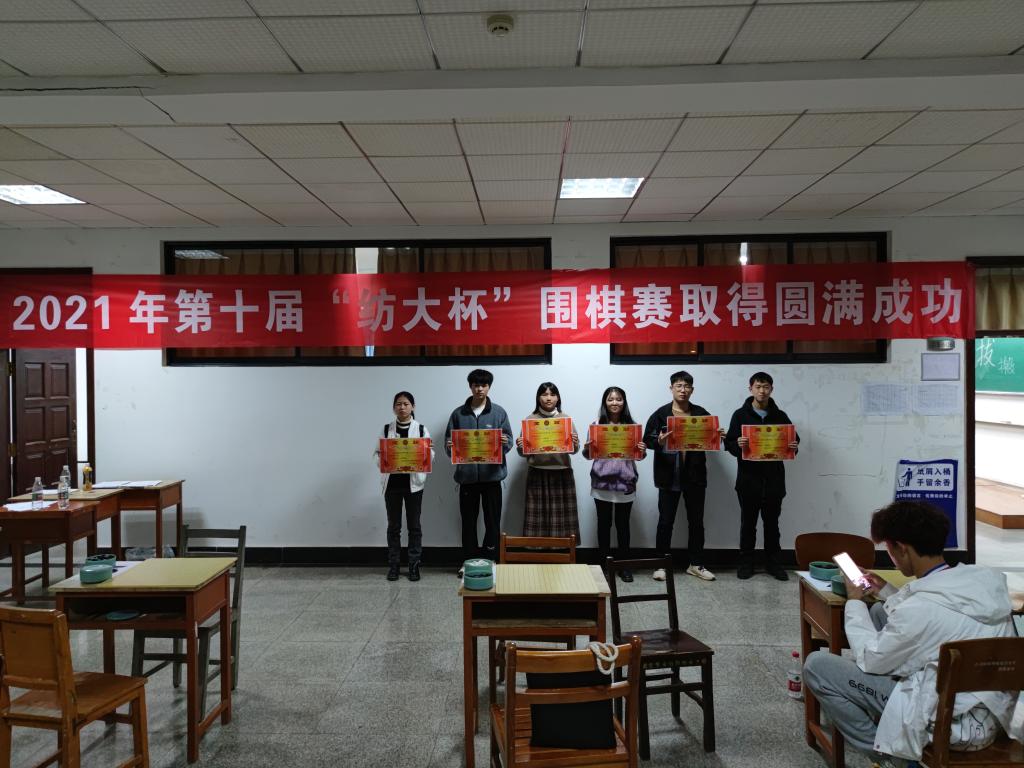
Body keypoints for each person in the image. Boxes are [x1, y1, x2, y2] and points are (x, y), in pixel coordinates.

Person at [802, 501, 1022, 767]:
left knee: (817, 666)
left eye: (890, 549)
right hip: (993, 714)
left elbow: (871, 659)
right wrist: (885, 590)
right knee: (880, 612)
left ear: (902, 549)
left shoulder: (919, 610)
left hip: (950, 724)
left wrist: (855, 601)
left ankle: (893, 757)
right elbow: (935, 611)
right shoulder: (980, 582)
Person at [643, 370, 719, 582]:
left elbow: (711, 439)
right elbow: (647, 440)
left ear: (692, 390)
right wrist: (658, 441)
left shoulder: (701, 413)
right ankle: (661, 564)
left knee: (696, 522)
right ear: (671, 388)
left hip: (695, 476)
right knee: (665, 522)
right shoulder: (661, 414)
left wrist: (717, 436)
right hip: (669, 476)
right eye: (679, 386)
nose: (683, 390)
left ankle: (696, 564)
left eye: (687, 386)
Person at [724, 371, 800, 581]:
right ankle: (745, 564)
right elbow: (729, 444)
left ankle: (773, 564)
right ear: (751, 389)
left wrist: (794, 445)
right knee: (748, 524)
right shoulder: (740, 415)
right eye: (758, 386)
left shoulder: (780, 415)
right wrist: (737, 444)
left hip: (774, 481)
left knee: (772, 525)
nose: (762, 391)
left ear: (771, 389)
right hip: (748, 480)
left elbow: (794, 442)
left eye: (766, 387)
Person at [444, 369, 513, 571]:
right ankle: (469, 561)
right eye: (476, 385)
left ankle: (491, 559)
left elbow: (509, 442)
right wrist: (450, 446)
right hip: (467, 479)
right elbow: (448, 445)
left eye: (483, 385)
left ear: (489, 387)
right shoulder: (458, 414)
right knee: (468, 522)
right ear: (470, 387)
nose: (479, 389)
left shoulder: (499, 412)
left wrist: (504, 442)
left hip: (493, 477)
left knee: (492, 521)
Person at [582, 386, 646, 582]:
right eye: (610, 399)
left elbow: (639, 456)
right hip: (601, 483)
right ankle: (603, 565)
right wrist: (587, 448)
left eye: (619, 399)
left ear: (624, 402)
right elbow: (587, 455)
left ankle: (624, 566)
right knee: (604, 525)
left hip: (625, 483)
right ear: (605, 403)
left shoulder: (632, 427)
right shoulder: (596, 426)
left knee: (623, 526)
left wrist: (642, 450)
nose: (615, 402)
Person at [372, 391, 434, 582]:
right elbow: (376, 454)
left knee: (414, 526)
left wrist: (426, 454)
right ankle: (394, 565)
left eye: (406, 404)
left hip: (413, 485)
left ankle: (414, 565)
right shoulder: (386, 429)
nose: (402, 407)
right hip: (392, 485)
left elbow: (430, 455)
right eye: (398, 404)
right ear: (394, 408)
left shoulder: (421, 429)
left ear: (413, 407)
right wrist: (387, 461)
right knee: (394, 527)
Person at [516, 382, 580, 540]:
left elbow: (574, 450)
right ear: (538, 398)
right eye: (544, 394)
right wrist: (521, 446)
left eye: (552, 394)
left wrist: (575, 443)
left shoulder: (565, 419)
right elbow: (523, 453)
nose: (548, 398)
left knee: (562, 518)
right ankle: (537, 550)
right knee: (538, 517)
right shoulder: (530, 420)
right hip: (537, 472)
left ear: (558, 398)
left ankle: (562, 550)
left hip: (562, 472)